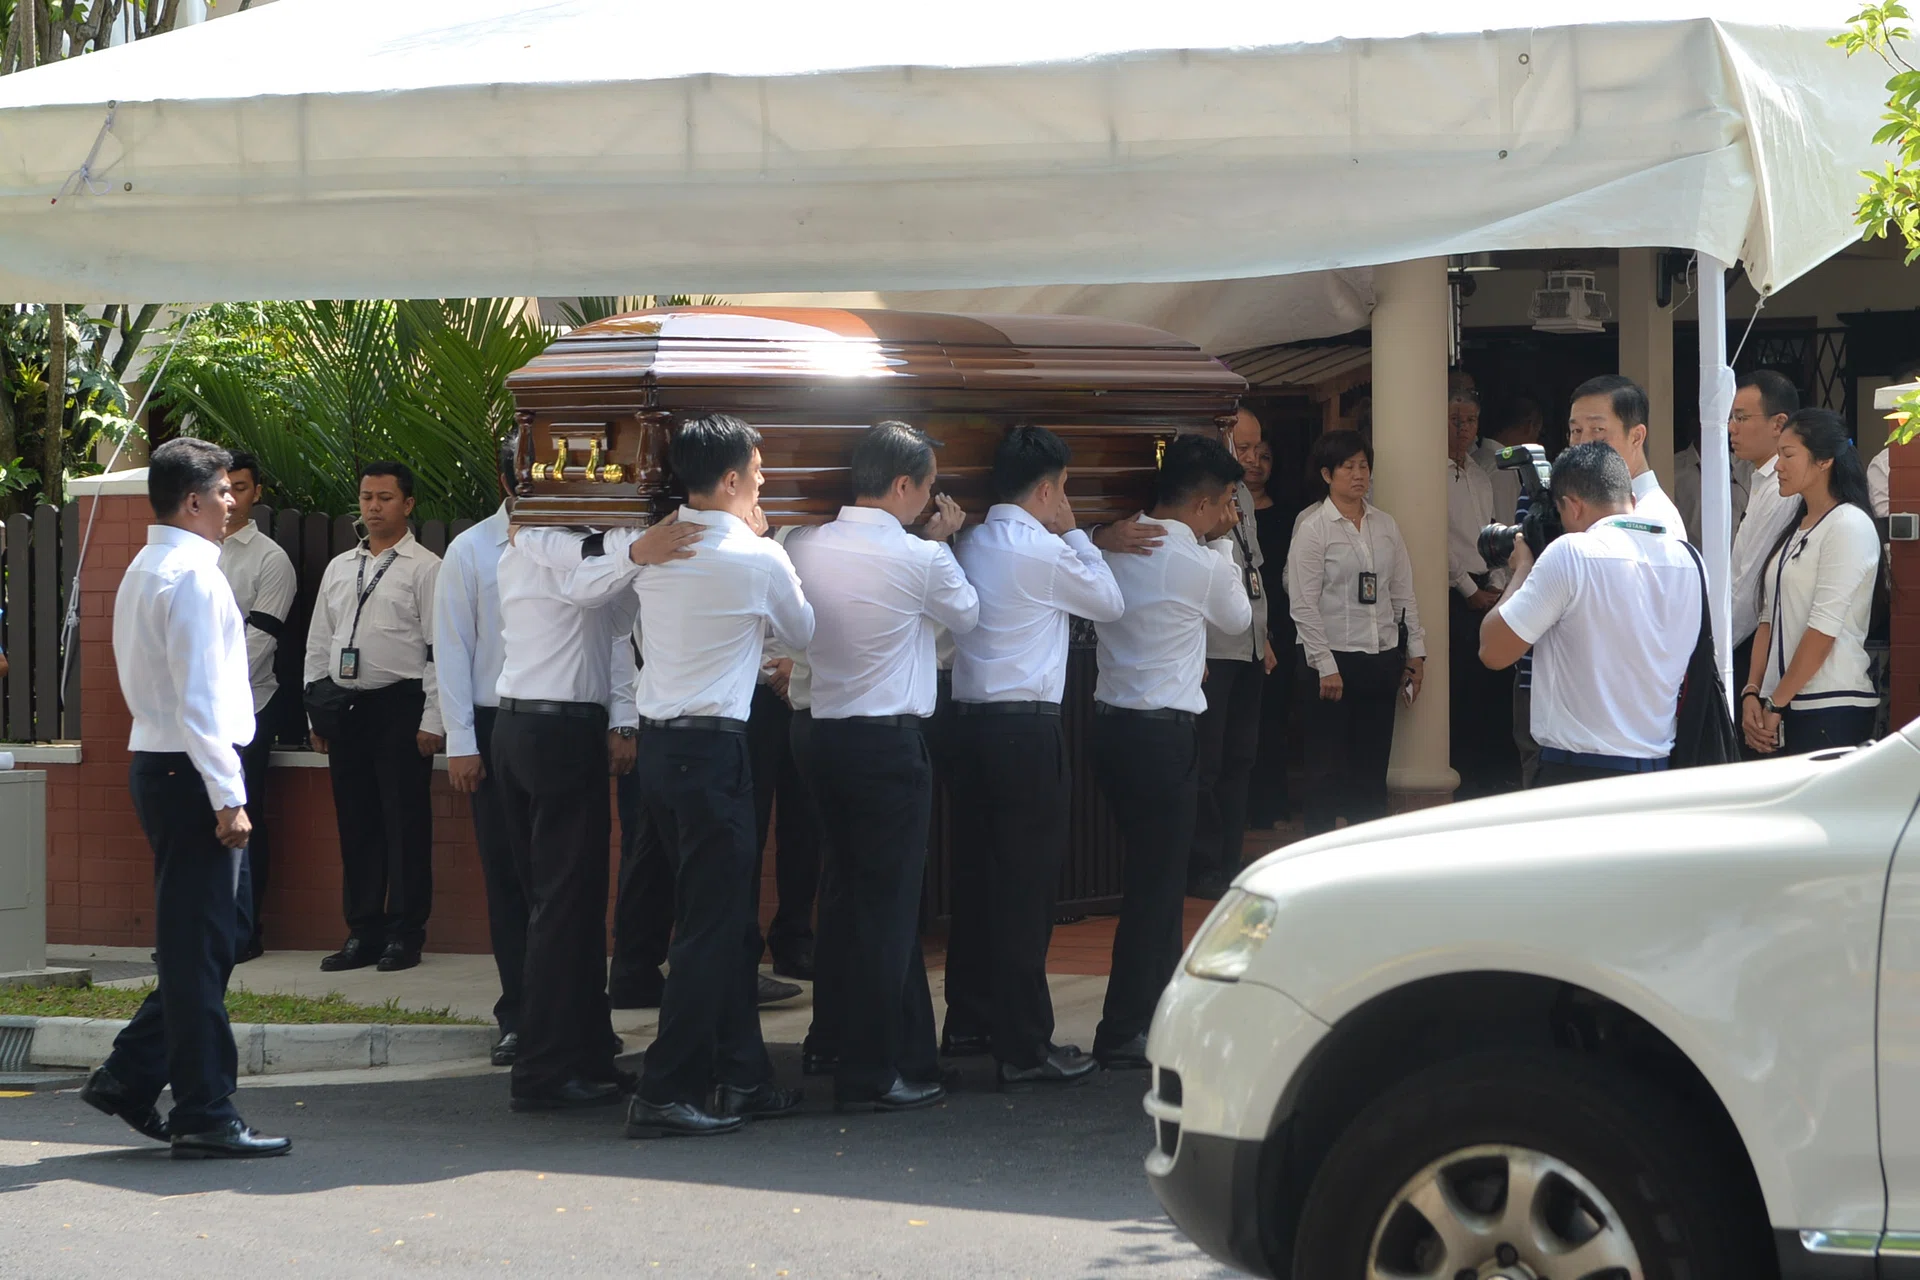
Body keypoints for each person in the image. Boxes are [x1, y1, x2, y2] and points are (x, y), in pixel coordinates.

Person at [585, 414, 817, 1137]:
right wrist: (759, 540)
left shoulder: (653, 548)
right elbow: (804, 634)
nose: (764, 479)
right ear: (730, 481)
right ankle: (668, 1087)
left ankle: (742, 1075)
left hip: (660, 750)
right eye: (757, 468)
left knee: (718, 920)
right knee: (712, 931)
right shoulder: (757, 556)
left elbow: (606, 601)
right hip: (715, 753)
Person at [84, 437, 290, 1159]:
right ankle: (205, 1109)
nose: (234, 503)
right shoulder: (195, 578)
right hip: (192, 772)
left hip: (166, 765)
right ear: (195, 500)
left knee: (215, 937)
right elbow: (202, 700)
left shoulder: (149, 565)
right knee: (200, 949)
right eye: (226, 492)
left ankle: (130, 1074)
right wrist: (228, 795)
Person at [786, 421, 978, 1113]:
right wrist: (939, 543)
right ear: (903, 486)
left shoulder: (800, 542)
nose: (930, 504)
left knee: (842, 895)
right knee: (889, 913)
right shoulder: (919, 557)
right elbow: (969, 613)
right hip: (885, 745)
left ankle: (841, 1042)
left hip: (816, 735)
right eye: (927, 491)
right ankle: (872, 1070)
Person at [493, 503, 698, 1113]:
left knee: (569, 905)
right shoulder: (538, 539)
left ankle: (582, 1055)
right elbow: (588, 586)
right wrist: (637, 547)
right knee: (562, 905)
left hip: (537, 725)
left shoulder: (551, 540)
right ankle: (546, 1069)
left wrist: (634, 555)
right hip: (550, 730)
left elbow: (613, 616)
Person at [942, 426, 1122, 1089]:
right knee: (1026, 888)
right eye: (1065, 490)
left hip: (968, 724)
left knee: (976, 877)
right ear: (1046, 491)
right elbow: (1109, 602)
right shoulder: (1043, 547)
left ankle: (967, 1021)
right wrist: (1077, 534)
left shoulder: (973, 537)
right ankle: (1022, 1045)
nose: (1066, 501)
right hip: (1025, 730)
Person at [1090, 434, 1251, 1070]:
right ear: (1208, 504)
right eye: (1229, 504)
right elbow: (1237, 620)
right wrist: (1225, 549)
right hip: (1163, 736)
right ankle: (1126, 1025)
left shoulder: (1118, 542)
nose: (1232, 515)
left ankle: (1148, 1013)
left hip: (1109, 726)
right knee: (1157, 889)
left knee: (1149, 881)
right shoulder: (1204, 560)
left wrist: (1100, 530)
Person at [1480, 442, 1701, 787]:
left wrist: (1524, 566)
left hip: (1576, 775)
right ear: (1631, 497)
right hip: (1658, 774)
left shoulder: (1572, 554)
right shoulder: (1688, 559)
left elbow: (1493, 650)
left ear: (1573, 505)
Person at [303, 462, 444, 973]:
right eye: (366, 497)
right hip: (346, 709)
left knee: (403, 824)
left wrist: (433, 717)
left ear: (408, 505)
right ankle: (362, 932)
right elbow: (320, 641)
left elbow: (439, 649)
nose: (374, 507)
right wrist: (316, 711)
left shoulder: (426, 568)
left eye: (385, 497)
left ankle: (404, 935)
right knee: (356, 824)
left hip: (399, 707)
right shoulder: (341, 566)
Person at [433, 439, 526, 1067]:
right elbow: (453, 650)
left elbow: (611, 635)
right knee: (509, 876)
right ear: (504, 476)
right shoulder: (471, 550)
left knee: (563, 878)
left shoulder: (586, 538)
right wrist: (461, 743)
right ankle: (519, 1012)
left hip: (561, 719)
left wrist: (621, 720)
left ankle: (570, 1012)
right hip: (493, 725)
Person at [1288, 430, 1427, 835]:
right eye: (1348, 467)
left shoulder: (1385, 525)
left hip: (1379, 654)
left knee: (1371, 764)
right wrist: (1326, 666)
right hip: (1329, 659)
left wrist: (1415, 652)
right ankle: (1317, 850)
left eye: (1364, 466)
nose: (1358, 474)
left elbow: (1403, 592)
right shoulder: (1314, 528)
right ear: (1327, 474)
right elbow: (1302, 602)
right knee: (1325, 767)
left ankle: (1367, 849)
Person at [1742, 409, 1884, 755]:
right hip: (1779, 703)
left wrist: (1775, 702)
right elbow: (1767, 619)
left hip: (1830, 706)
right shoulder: (1797, 527)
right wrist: (1752, 691)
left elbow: (1823, 628)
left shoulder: (1849, 524)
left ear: (1824, 460)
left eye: (1788, 455)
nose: (1778, 465)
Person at [1187, 408, 1274, 900]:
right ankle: (1203, 863)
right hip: (1213, 645)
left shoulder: (1240, 492)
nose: (1250, 458)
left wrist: (1265, 637)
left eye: (1258, 449)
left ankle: (1230, 857)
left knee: (1242, 758)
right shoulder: (1200, 494)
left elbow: (1251, 565)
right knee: (1210, 759)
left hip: (1248, 642)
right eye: (1241, 449)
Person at [216, 451, 296, 962]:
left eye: (241, 488)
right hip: (196, 713)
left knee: (244, 819)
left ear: (257, 493)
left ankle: (244, 934)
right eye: (225, 488)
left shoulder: (270, 559)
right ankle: (207, 933)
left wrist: (210, 691)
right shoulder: (197, 550)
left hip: (249, 707)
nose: (232, 498)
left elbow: (259, 642)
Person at [1445, 387, 1509, 798]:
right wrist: (1467, 588)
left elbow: (1494, 533)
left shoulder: (1481, 475)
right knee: (1459, 693)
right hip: (1451, 591)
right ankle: (1463, 779)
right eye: (1455, 420)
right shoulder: (1428, 473)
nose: (1463, 428)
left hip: (1488, 586)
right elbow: (1431, 537)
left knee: (1491, 690)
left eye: (1470, 420)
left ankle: (1489, 778)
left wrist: (1499, 586)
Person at [1727, 370, 1804, 705]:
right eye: (1731, 417)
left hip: (1753, 650)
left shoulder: (1780, 489)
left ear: (1778, 423)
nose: (1731, 427)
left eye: (1742, 417)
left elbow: (1750, 592)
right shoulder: (1761, 480)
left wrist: (1711, 652)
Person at [1245, 430, 1297, 828]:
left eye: (1264, 456)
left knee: (1277, 720)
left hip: (1281, 622)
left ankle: (1272, 803)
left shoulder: (1289, 514)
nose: (1255, 463)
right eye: (1247, 453)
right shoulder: (1226, 516)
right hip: (1240, 623)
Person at [1566, 374, 1685, 536]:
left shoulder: (1650, 518)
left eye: (1598, 429)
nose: (1584, 442)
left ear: (1636, 437)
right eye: (1576, 431)